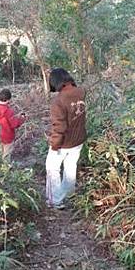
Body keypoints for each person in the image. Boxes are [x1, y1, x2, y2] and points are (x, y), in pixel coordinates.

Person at [46, 68, 86, 209]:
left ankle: (55, 201)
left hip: (63, 143)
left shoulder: (58, 101)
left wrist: (54, 144)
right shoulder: (81, 92)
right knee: (70, 167)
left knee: (52, 169)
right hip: (78, 140)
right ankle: (69, 196)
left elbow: (59, 127)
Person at [0, 89, 26, 159]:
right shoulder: (8, 111)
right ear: (8, 99)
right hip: (7, 138)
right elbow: (14, 124)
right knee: (5, 159)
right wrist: (22, 118)